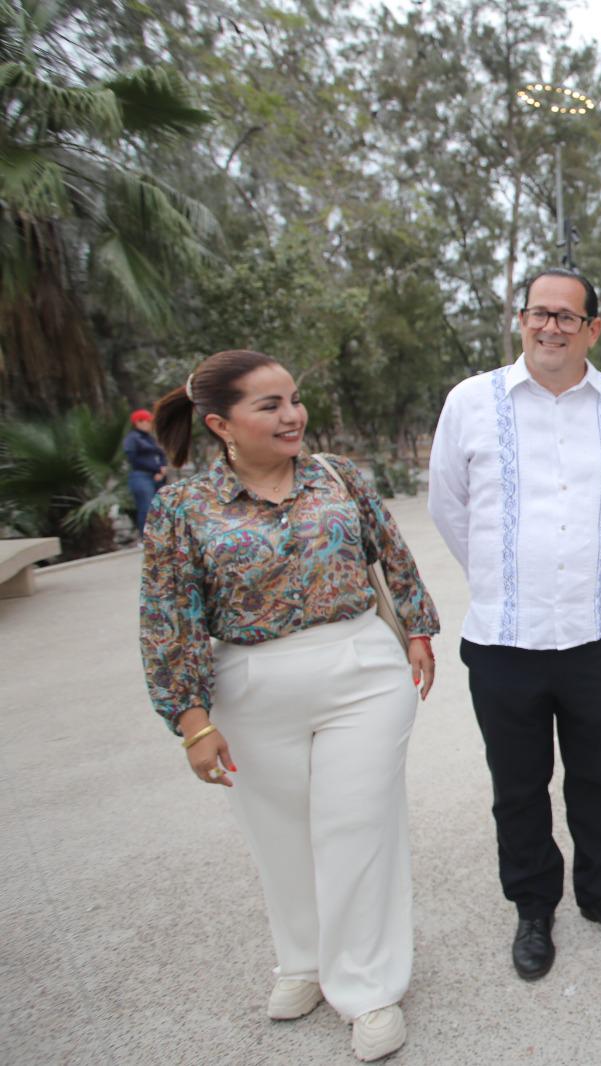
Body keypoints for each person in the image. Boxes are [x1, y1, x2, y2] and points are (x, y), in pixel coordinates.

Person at [139, 349, 440, 1063]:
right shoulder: (184, 507)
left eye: (294, 400)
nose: (292, 415)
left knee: (356, 826)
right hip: (248, 683)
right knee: (278, 834)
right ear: (220, 424)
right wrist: (191, 722)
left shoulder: (339, 476)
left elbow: (392, 555)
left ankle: (367, 989)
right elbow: (168, 617)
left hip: (361, 668)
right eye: (269, 405)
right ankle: (303, 961)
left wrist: (418, 630)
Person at [428, 266, 601, 982]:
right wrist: (505, 577)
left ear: (593, 328)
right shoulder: (471, 402)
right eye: (538, 313)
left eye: (567, 316)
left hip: (595, 634)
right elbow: (449, 507)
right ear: (520, 320)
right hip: (503, 640)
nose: (550, 326)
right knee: (517, 785)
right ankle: (533, 907)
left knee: (595, 777)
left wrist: (577, 569)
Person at [123, 408, 168, 534]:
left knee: (161, 507)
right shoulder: (132, 438)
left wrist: (162, 468)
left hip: (157, 476)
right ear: (138, 422)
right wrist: (156, 469)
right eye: (147, 421)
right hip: (141, 476)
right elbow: (133, 458)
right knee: (146, 507)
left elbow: (161, 454)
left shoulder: (150, 438)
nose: (150, 424)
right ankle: (146, 537)